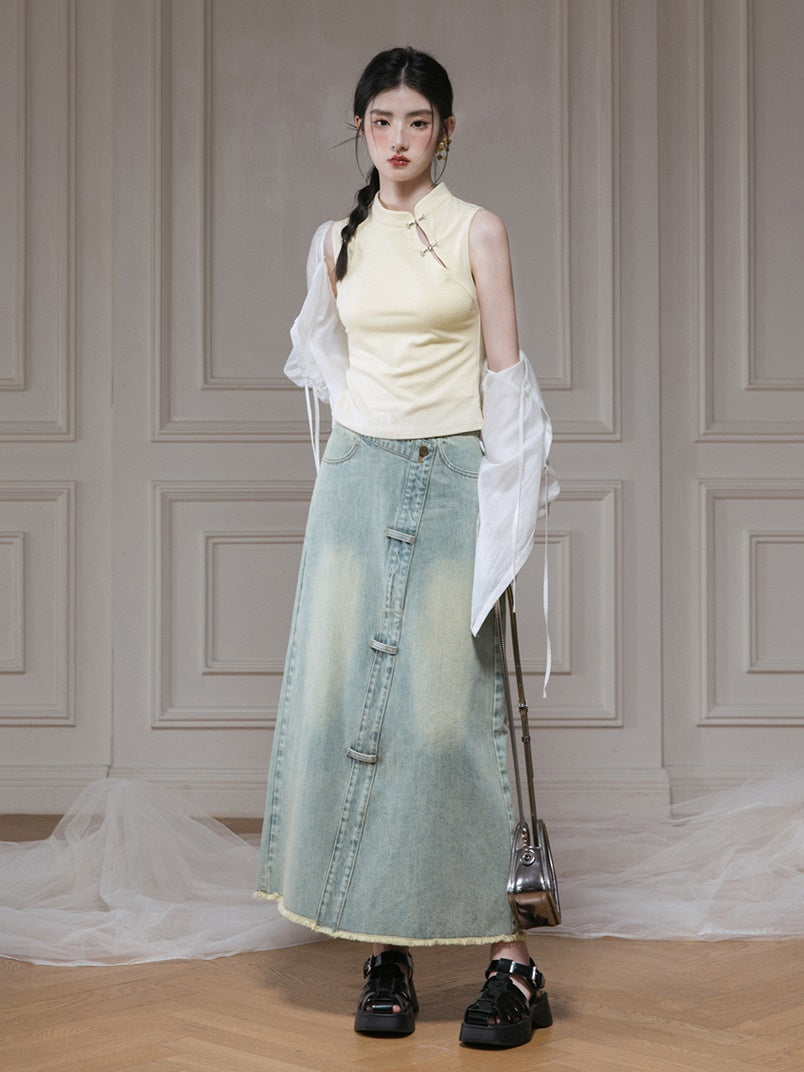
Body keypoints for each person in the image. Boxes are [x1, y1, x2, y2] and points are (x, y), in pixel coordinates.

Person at [256, 46, 558, 1049]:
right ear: (361, 128)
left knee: (449, 718)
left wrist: (505, 514)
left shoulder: (479, 230)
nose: (398, 139)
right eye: (381, 121)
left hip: (456, 478)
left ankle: (512, 961)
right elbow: (326, 358)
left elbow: (507, 379)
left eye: (417, 122)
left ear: (446, 132)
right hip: (357, 483)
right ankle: (386, 950)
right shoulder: (333, 242)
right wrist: (361, 452)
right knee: (355, 711)